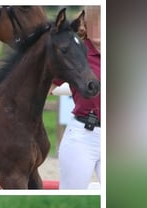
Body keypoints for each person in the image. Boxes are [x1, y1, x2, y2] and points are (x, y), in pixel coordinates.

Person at [58, 7, 101, 189]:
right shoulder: (77, 54)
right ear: (87, 25)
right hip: (83, 135)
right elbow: (42, 86)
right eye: (96, 21)